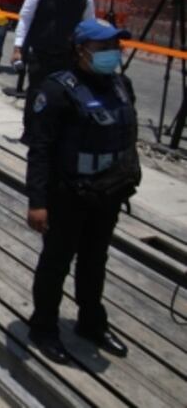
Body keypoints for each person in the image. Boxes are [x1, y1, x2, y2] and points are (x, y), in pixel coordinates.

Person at [25, 18, 140, 364]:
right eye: (104, 48)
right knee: (56, 263)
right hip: (68, 194)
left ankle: (91, 322)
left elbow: (126, 138)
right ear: (81, 50)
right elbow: (40, 150)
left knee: (95, 260)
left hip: (108, 194)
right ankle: (43, 326)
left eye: (115, 47)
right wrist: (38, 203)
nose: (112, 54)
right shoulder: (57, 90)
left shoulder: (122, 85)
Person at [12, 0, 97, 142]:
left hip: (67, 54)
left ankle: (53, 134)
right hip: (40, 53)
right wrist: (17, 48)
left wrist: (88, 54)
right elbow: (25, 19)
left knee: (62, 96)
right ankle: (31, 133)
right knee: (37, 93)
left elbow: (88, 26)